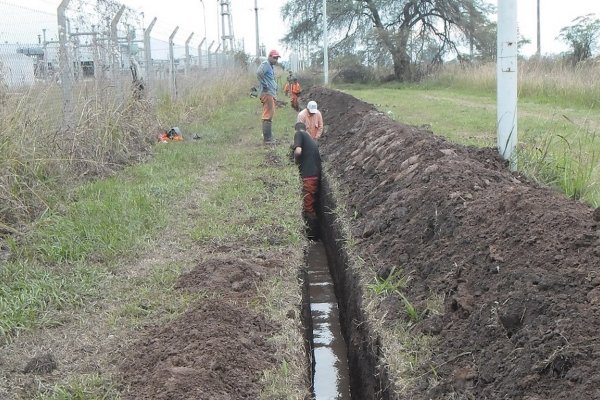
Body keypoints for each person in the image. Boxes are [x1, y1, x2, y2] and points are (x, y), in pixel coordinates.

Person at [292, 122, 322, 236]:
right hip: (315, 174)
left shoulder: (299, 134)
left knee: (308, 206)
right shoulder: (310, 139)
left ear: (296, 130)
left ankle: (312, 235)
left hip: (309, 176)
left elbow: (298, 151)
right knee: (309, 203)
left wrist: (294, 160)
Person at [256, 49, 281, 144]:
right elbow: (258, 73)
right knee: (268, 114)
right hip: (267, 93)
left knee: (270, 113)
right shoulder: (266, 64)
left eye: (277, 58)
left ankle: (268, 137)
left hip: (270, 93)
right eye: (274, 58)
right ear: (270, 56)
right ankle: (267, 139)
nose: (276, 60)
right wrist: (265, 85)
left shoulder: (270, 66)